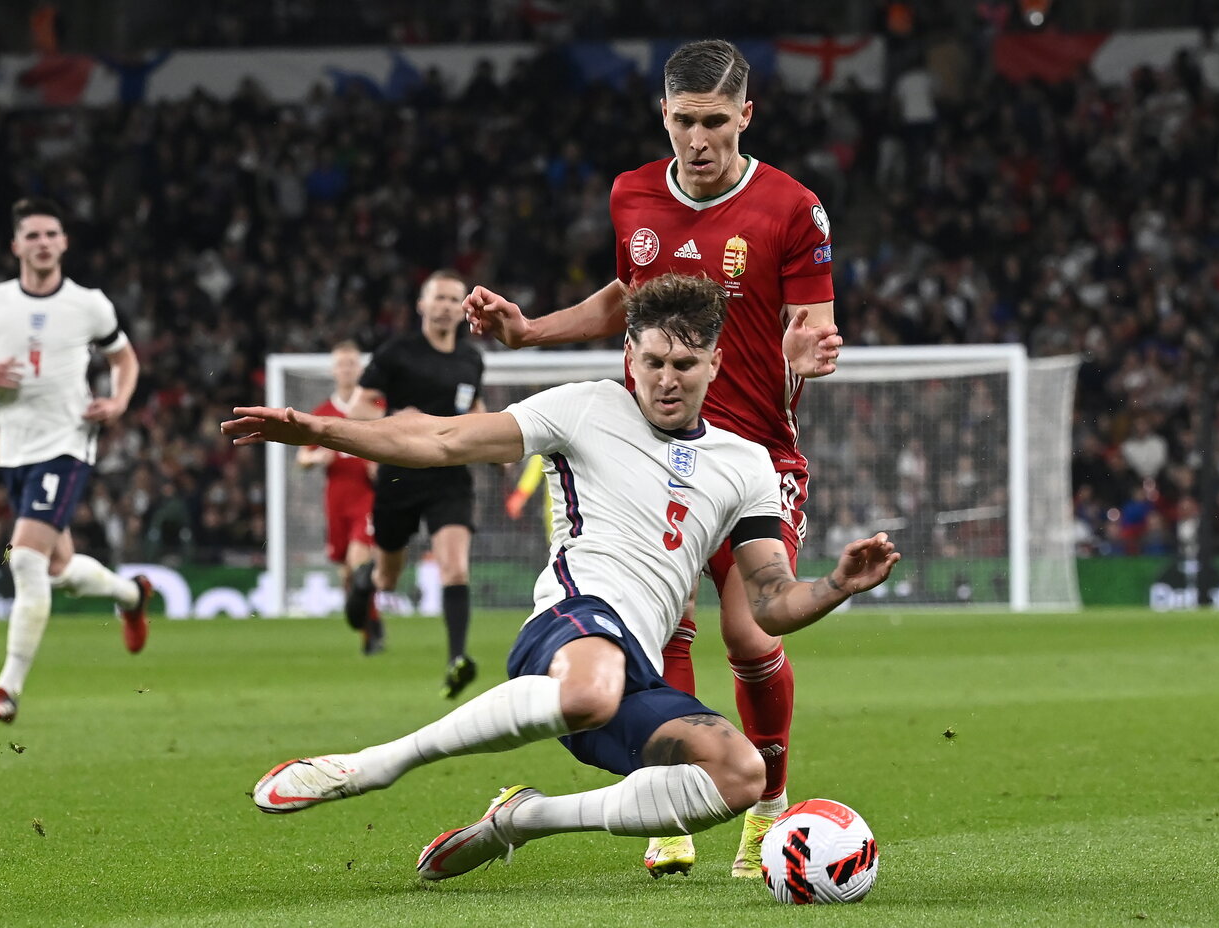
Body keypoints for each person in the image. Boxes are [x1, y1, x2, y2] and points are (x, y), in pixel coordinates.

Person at [223, 273, 899, 883]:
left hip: (630, 676)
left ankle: (520, 821)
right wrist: (319, 428)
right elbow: (441, 441)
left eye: (686, 366)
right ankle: (372, 765)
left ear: (716, 364)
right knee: (590, 687)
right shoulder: (584, 407)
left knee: (740, 775)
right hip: (568, 625)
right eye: (653, 362)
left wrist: (836, 585)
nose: (667, 380)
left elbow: (772, 602)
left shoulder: (746, 464)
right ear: (630, 357)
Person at [464, 38, 841, 877]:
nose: (698, 140)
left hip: (752, 457)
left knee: (750, 638)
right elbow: (625, 303)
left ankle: (766, 809)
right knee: (659, 627)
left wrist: (807, 357)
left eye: (715, 121)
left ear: (746, 116)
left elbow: (812, 327)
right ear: (662, 116)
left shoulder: (792, 209)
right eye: (683, 121)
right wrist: (530, 330)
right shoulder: (632, 194)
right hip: (650, 449)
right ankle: (665, 809)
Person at [0, 197, 153, 723]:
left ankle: (8, 689)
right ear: (16, 245)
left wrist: (119, 400)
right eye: (32, 235)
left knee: (25, 559)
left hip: (66, 443)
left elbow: (124, 359)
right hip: (14, 449)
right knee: (59, 568)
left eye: (51, 235)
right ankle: (132, 595)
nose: (42, 243)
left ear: (64, 243)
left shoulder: (89, 304)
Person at [345, 269, 485, 694]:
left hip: (449, 476)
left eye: (453, 300)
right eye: (437, 298)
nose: (445, 306)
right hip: (399, 476)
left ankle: (457, 658)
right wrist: (394, 422)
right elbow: (358, 410)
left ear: (463, 310)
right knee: (388, 577)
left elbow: (474, 407)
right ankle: (365, 582)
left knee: (455, 566)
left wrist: (490, 440)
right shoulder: (396, 353)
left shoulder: (471, 360)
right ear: (421, 305)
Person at [296, 340, 378, 652]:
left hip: (366, 499)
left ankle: (372, 632)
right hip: (336, 499)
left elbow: (396, 443)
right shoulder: (322, 413)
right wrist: (318, 459)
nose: (346, 369)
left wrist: (379, 467)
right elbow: (302, 459)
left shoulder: (374, 409)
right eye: (341, 364)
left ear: (360, 369)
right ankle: (370, 624)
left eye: (352, 364)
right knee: (347, 575)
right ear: (333, 370)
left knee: (359, 562)